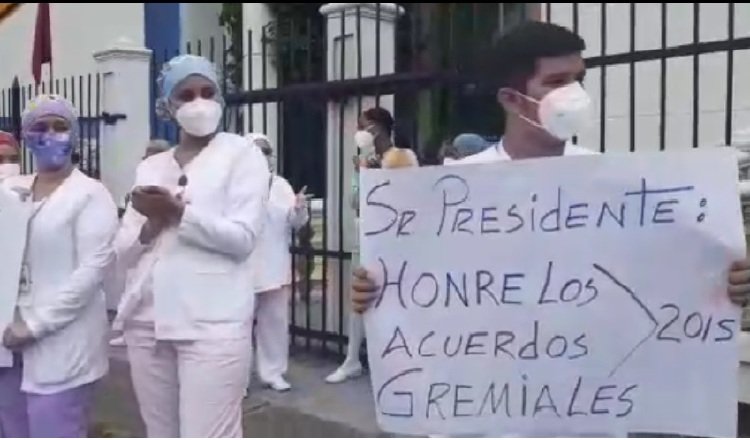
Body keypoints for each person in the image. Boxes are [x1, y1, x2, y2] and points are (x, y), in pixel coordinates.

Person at [347, 21, 750, 435]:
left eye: (579, 79)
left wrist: (723, 285)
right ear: (511, 98)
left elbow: (664, 280)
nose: (574, 94)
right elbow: (415, 291)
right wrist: (372, 294)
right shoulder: (449, 194)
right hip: (483, 417)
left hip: (588, 413)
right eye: (557, 82)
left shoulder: (620, 187)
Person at [111, 55, 270, 437]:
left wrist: (178, 214)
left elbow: (243, 239)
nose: (199, 102)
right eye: (186, 95)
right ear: (168, 106)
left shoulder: (241, 155)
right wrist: (151, 223)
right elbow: (123, 249)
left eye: (207, 92)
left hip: (212, 324)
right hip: (147, 321)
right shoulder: (152, 166)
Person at [0, 94, 118, 437]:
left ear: (74, 134)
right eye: (39, 127)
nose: (50, 134)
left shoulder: (91, 195)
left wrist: (34, 326)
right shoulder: (11, 189)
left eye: (60, 126)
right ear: (25, 137)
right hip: (8, 344)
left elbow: (90, 274)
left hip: (62, 345)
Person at [326, 107, 419, 384]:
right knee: (359, 299)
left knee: (395, 300)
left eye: (364, 126)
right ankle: (352, 359)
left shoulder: (403, 156)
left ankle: (400, 362)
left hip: (394, 240)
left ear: (377, 128)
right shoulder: (366, 161)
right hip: (365, 237)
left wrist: (382, 175)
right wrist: (361, 174)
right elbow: (356, 202)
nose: (360, 131)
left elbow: (409, 195)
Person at [245, 133, 309, 392]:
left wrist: (299, 208)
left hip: (275, 264)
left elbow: (295, 223)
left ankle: (273, 372)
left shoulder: (280, 184)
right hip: (244, 267)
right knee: (239, 327)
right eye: (258, 150)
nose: (264, 155)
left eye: (267, 151)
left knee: (275, 323)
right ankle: (238, 378)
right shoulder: (235, 185)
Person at [110, 138, 173, 348]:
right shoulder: (135, 194)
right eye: (149, 156)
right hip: (140, 280)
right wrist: (148, 228)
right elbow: (123, 247)